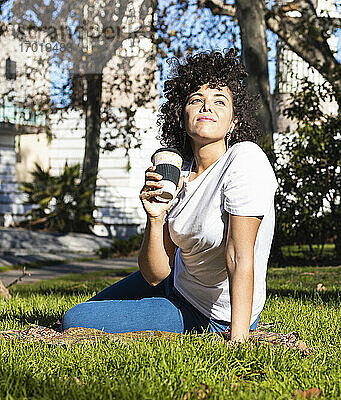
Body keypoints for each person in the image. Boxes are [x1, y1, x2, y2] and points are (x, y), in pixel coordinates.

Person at [62, 49, 278, 343]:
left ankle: (176, 319)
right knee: (86, 311)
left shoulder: (244, 160)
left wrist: (238, 337)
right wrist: (155, 216)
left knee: (76, 320)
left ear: (234, 121)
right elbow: (155, 275)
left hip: (208, 312)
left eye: (219, 101)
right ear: (182, 115)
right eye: (196, 100)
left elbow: (239, 255)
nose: (207, 107)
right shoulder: (176, 172)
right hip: (175, 282)